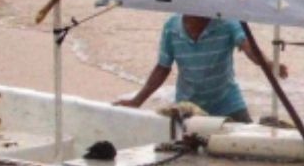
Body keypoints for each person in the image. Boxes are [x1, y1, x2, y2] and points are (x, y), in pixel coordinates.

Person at [114, 15, 283, 122]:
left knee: (247, 146)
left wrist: (268, 64)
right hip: (188, 106)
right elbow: (162, 68)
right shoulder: (171, 26)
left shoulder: (227, 21)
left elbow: (249, 48)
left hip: (227, 102)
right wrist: (137, 101)